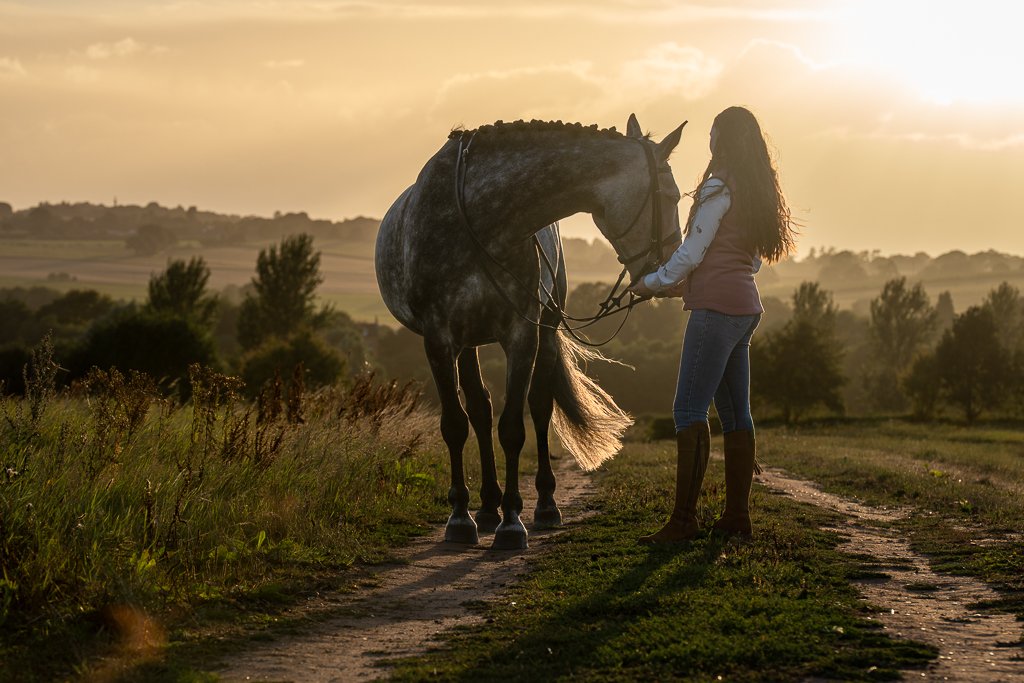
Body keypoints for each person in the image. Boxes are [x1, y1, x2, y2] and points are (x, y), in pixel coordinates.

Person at [629, 106, 797, 542]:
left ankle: (684, 521)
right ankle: (736, 517)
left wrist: (652, 282)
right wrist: (688, 286)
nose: (709, 142)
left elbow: (693, 251)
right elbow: (750, 261)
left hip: (717, 313)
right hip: (743, 311)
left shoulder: (719, 185)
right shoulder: (754, 190)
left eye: (712, 134)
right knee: (737, 414)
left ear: (722, 139)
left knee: (687, 410)